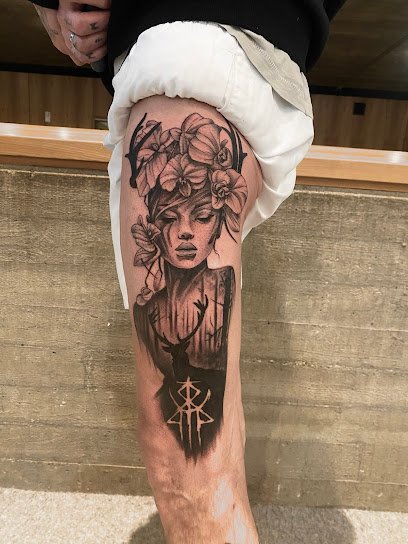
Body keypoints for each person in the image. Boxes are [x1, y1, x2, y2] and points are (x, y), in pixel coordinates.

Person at [29, 1, 347, 543]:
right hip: (240, 59)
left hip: (186, 58)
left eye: (199, 216)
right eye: (171, 217)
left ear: (214, 209)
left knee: (189, 475)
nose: (182, 233)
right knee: (218, 444)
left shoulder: (179, 110)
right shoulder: (165, 298)